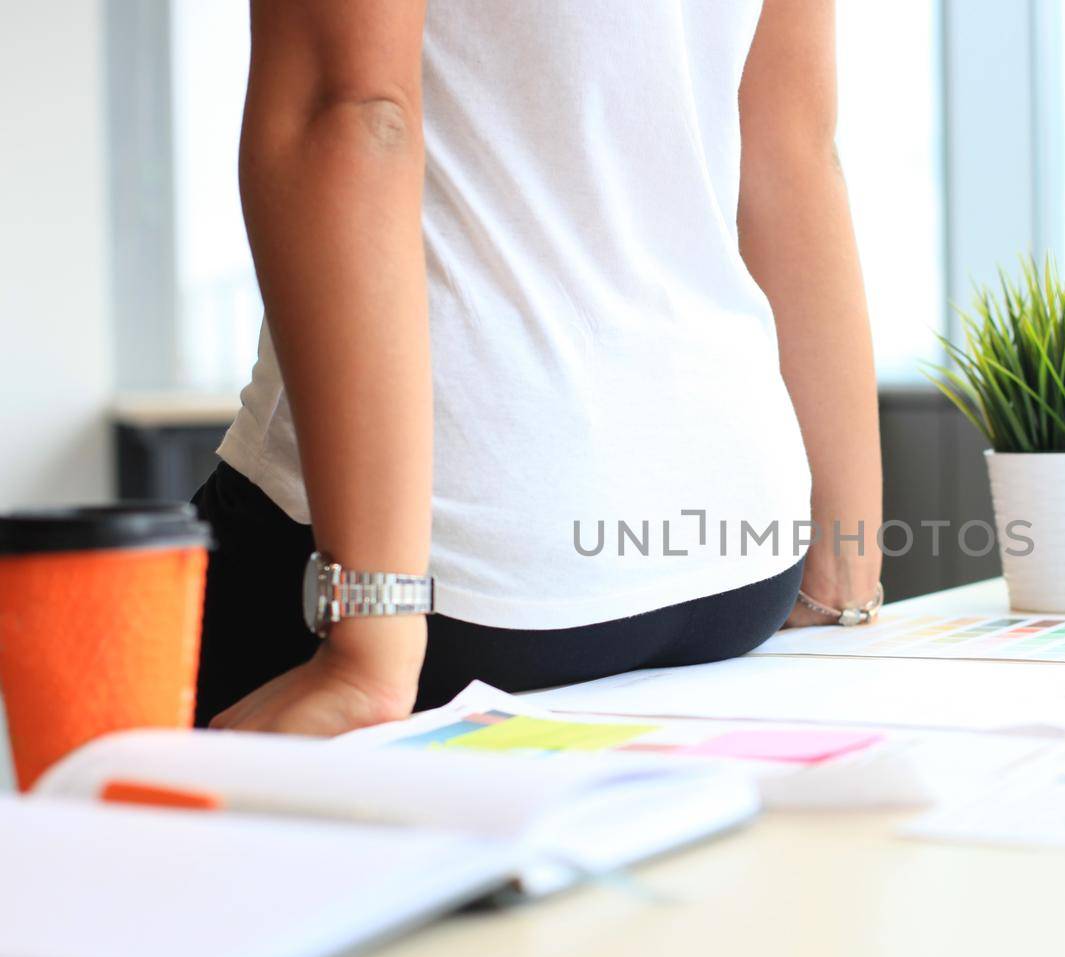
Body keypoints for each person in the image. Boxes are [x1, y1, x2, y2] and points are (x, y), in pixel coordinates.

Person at [192, 0, 883, 734]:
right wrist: (844, 564)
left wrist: (369, 647)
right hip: (738, 559)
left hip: (447, 578)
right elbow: (793, 147)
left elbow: (345, 105)